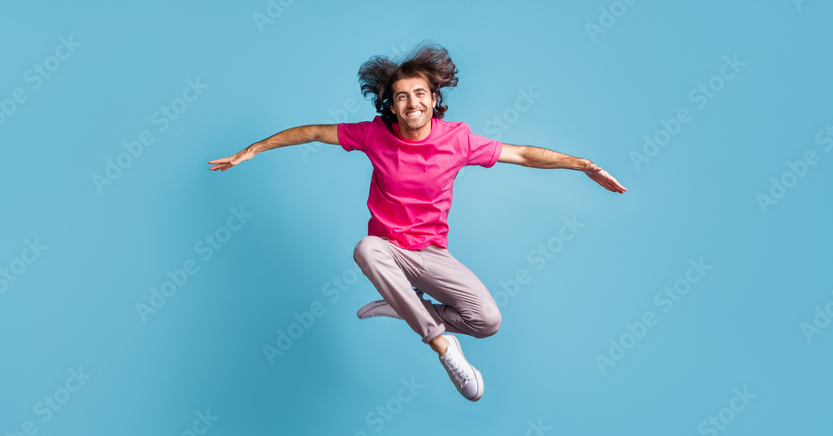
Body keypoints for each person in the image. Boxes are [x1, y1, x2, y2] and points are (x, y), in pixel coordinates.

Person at [208, 43, 626, 401]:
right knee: (365, 248)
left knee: (488, 322)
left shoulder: (457, 139)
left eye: (420, 94)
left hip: (431, 255)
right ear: (390, 103)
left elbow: (521, 154)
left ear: (434, 98)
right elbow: (315, 132)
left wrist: (582, 165)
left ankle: (405, 308)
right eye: (402, 96)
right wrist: (254, 149)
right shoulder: (374, 134)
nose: (412, 103)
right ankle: (443, 347)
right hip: (389, 251)